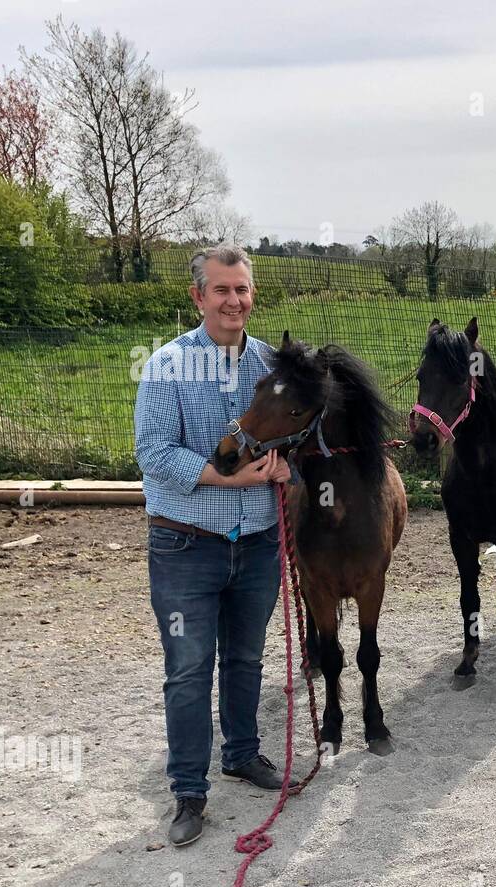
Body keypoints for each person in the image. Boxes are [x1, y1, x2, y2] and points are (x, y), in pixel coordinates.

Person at [133, 244, 296, 846]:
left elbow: (300, 440)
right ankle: (188, 791)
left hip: (257, 544)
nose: (235, 300)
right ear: (198, 297)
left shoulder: (273, 367)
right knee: (188, 668)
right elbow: (153, 453)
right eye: (222, 290)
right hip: (185, 545)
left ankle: (243, 752)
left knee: (247, 660)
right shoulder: (166, 366)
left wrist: (285, 471)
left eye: (243, 289)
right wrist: (224, 474)